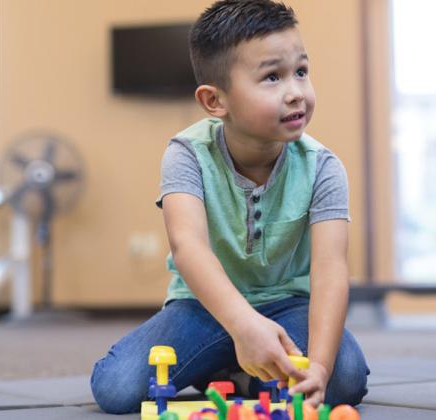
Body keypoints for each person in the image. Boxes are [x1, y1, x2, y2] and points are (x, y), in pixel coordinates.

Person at [89, 0, 369, 414]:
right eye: (272, 77)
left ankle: (240, 367)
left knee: (344, 377)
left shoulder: (323, 167)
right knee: (115, 388)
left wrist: (321, 368)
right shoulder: (186, 154)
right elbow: (189, 249)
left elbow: (330, 272)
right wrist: (243, 325)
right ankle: (235, 360)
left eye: (301, 72)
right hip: (202, 306)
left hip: (288, 305)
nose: (296, 92)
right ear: (214, 101)